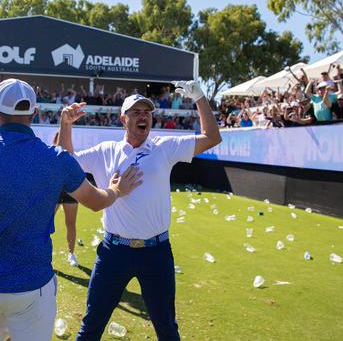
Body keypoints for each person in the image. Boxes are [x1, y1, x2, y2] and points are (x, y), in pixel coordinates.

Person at [0, 78, 142, 341]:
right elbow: (96, 202)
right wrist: (117, 190)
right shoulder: (56, 159)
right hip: (32, 289)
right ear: (33, 114)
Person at [58, 81, 222, 341]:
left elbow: (212, 137)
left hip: (156, 253)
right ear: (124, 119)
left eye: (147, 112)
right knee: (90, 328)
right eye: (136, 112)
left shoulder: (163, 147)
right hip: (114, 253)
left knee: (167, 328)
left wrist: (200, 97)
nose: (143, 116)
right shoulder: (106, 151)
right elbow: (66, 164)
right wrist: (66, 124)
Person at [53, 131, 80, 267]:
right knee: (46, 222)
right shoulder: (51, 153)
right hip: (55, 191)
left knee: (70, 223)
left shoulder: (72, 155)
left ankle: (71, 253)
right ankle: (42, 251)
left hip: (70, 191)